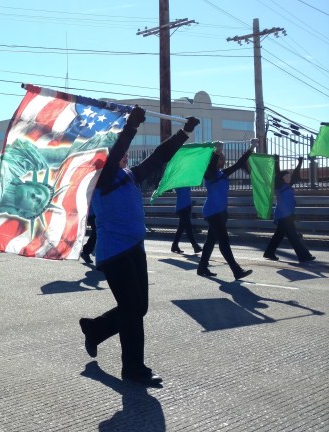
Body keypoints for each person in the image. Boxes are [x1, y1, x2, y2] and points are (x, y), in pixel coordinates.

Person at [79, 106, 199, 387]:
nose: (125, 154)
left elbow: (157, 158)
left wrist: (184, 133)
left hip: (134, 248)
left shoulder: (129, 176)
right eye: (118, 151)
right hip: (113, 252)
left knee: (138, 307)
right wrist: (130, 127)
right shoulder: (101, 179)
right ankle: (133, 368)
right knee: (132, 309)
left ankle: (96, 328)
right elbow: (114, 155)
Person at [197, 140, 256, 279]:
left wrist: (251, 148)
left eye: (223, 157)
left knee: (211, 241)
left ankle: (202, 267)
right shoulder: (209, 174)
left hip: (220, 212)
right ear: (214, 159)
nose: (223, 159)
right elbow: (211, 166)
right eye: (220, 157)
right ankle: (236, 270)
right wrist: (216, 152)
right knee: (224, 241)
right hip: (213, 212)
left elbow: (239, 163)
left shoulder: (223, 173)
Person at [263, 156, 315, 263]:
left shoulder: (288, 184)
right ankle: (304, 256)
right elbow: (277, 173)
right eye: (287, 176)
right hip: (283, 216)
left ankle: (269, 252)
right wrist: (276, 161)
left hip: (288, 215)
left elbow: (295, 174)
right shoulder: (278, 186)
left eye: (289, 176)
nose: (289, 177)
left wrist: (299, 163)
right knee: (293, 237)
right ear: (282, 178)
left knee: (278, 236)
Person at [170, 187, 202, 254]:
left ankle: (174, 245)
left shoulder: (186, 183)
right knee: (188, 227)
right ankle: (195, 245)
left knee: (181, 228)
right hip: (182, 208)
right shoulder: (179, 184)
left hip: (186, 207)